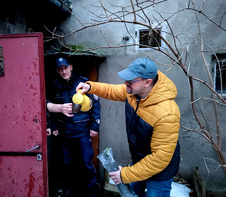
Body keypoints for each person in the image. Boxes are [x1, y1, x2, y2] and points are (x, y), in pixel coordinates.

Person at [76, 58, 180, 197]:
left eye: (130, 80)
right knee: (129, 193)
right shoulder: (133, 93)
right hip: (140, 160)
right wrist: (90, 87)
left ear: (147, 82)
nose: (126, 83)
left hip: (160, 171)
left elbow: (159, 158)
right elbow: (111, 90)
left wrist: (124, 174)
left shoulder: (167, 113)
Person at [46, 57, 101, 197]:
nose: (63, 71)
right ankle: (69, 189)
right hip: (64, 132)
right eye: (60, 68)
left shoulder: (83, 83)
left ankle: (92, 190)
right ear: (57, 70)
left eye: (65, 67)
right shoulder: (54, 85)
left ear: (71, 67)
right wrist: (53, 126)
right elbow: (50, 107)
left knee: (86, 162)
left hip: (82, 131)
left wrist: (95, 126)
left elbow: (96, 104)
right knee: (66, 163)